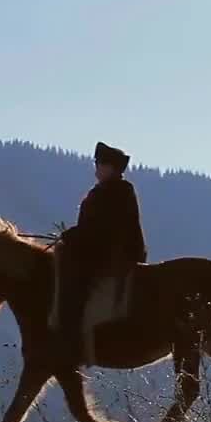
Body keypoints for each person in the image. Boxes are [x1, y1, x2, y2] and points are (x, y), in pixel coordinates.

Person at [53, 141, 147, 363]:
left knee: (75, 281)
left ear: (110, 167)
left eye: (99, 164)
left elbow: (102, 228)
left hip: (115, 254)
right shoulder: (106, 190)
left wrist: (73, 236)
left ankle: (73, 335)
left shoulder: (119, 191)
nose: (96, 168)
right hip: (103, 250)